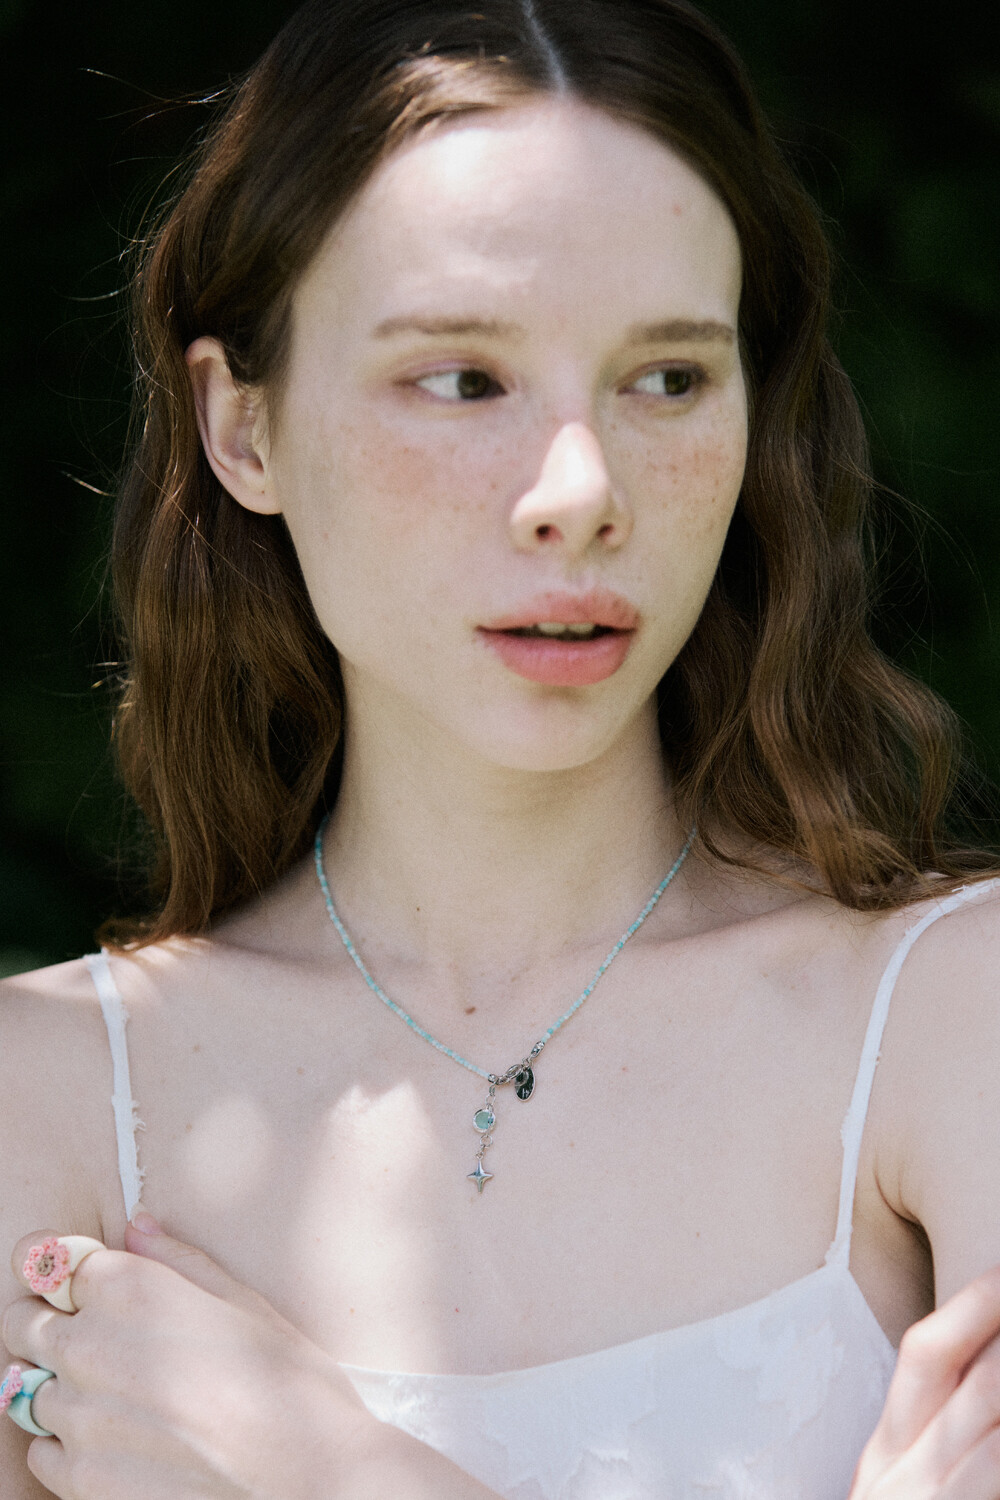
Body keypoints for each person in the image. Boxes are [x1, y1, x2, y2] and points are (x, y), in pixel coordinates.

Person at [2, 0, 1000, 1494]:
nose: (580, 492)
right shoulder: (52, 1098)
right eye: (464, 379)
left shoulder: (957, 1013)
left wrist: (334, 1472)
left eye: (668, 377)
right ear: (243, 429)